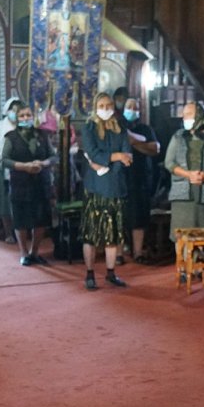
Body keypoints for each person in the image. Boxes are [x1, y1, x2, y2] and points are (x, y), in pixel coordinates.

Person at [80, 91, 132, 290]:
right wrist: (115, 157)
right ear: (95, 107)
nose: (105, 109)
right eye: (101, 106)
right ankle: (90, 273)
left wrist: (113, 163)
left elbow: (127, 155)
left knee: (113, 233)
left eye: (108, 106)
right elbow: (93, 153)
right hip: (96, 186)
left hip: (115, 184)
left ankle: (111, 273)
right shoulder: (89, 127)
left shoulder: (120, 128)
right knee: (92, 233)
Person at [165, 101, 204, 248]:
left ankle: (203, 260)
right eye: (184, 115)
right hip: (182, 194)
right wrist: (188, 174)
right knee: (182, 236)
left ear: (199, 115)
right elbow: (169, 163)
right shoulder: (178, 136)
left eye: (189, 114)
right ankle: (184, 262)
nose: (184, 117)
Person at [4, 103, 55, 265]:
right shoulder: (11, 137)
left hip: (40, 182)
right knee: (21, 219)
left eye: (28, 115)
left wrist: (43, 163)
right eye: (22, 116)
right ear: (17, 118)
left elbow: (54, 157)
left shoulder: (42, 134)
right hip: (20, 182)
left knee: (40, 218)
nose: (26, 118)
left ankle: (35, 251)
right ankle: (24, 253)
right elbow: (5, 160)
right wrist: (24, 166)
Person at [120, 97, 160, 262]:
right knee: (120, 217)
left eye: (135, 108)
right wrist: (140, 144)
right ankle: (119, 253)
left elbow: (155, 148)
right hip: (121, 177)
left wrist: (133, 142)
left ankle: (138, 253)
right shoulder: (119, 127)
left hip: (140, 179)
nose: (132, 110)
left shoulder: (145, 129)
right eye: (129, 106)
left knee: (139, 217)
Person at [0, 98, 21, 242]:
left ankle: (20, 231)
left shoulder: (22, 125)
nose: (16, 113)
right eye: (13, 110)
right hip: (3, 167)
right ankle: (8, 232)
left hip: (20, 167)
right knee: (4, 202)